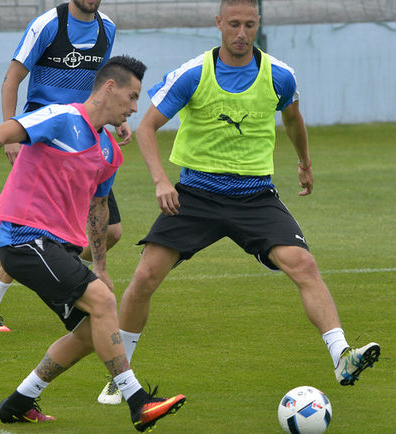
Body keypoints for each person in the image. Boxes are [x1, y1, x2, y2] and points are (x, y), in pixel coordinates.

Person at [98, 0, 381, 399]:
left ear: (258, 23)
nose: (242, 33)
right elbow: (146, 128)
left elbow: (293, 118)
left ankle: (341, 355)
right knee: (145, 277)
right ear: (218, 24)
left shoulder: (279, 75)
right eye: (234, 24)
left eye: (249, 24)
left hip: (254, 196)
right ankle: (120, 376)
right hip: (196, 194)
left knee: (303, 264)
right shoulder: (194, 74)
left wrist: (304, 162)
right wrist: (162, 181)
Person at [0, 56, 186, 431]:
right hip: (24, 240)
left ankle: (20, 400)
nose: (134, 107)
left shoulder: (109, 152)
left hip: (58, 249)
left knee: (89, 330)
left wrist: (100, 265)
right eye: (131, 97)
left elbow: (98, 208)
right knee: (102, 302)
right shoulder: (60, 118)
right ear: (109, 88)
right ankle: (138, 402)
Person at [0, 0, 129, 338]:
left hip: (86, 141)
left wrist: (113, 120)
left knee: (111, 231)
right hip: (45, 138)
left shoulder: (108, 28)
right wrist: (11, 134)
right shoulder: (47, 25)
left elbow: (102, 84)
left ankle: (60, 273)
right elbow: (11, 79)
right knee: (30, 230)